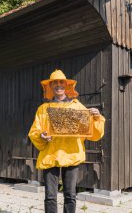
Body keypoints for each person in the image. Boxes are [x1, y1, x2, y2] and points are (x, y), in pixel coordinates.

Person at [28, 69, 105, 213]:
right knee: (50, 196)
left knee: (70, 195)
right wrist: (41, 136)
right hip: (51, 155)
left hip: (71, 154)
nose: (58, 85)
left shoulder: (77, 106)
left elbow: (92, 134)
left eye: (61, 82)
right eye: (55, 83)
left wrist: (97, 117)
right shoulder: (43, 109)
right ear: (50, 86)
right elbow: (35, 131)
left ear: (66, 85)